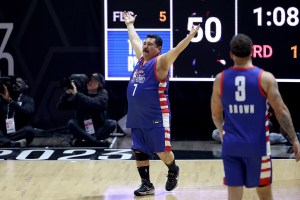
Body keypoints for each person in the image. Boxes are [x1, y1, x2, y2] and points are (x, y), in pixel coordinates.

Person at [211, 33, 300, 200]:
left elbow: (216, 114)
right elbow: (281, 111)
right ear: (252, 51)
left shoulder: (220, 79)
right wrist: (294, 139)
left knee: (234, 196)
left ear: (231, 54)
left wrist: (224, 133)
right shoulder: (265, 78)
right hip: (258, 147)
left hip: (232, 146)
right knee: (265, 195)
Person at [122, 11, 200, 196]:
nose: (145, 46)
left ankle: (173, 169)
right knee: (139, 151)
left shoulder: (161, 61)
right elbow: (134, 40)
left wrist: (190, 36)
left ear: (158, 48)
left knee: (162, 152)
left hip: (156, 115)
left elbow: (177, 50)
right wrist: (129, 24)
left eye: (150, 44)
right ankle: (146, 184)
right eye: (145, 43)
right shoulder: (141, 59)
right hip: (136, 115)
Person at [57, 73, 117, 147]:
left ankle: (87, 142)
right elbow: (61, 107)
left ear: (100, 85)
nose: (89, 82)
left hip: (98, 128)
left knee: (112, 123)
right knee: (71, 123)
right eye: (89, 80)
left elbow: (93, 103)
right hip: (82, 129)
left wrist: (77, 94)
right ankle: (95, 142)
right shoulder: (80, 94)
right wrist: (67, 94)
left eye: (93, 81)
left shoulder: (103, 94)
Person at [0, 76, 35, 147]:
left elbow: (27, 112)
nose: (16, 84)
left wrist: (10, 101)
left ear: (26, 86)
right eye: (14, 83)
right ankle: (12, 143)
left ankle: (4, 142)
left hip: (18, 132)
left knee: (29, 130)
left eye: (19, 82)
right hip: (4, 132)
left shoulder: (28, 100)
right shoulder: (3, 99)